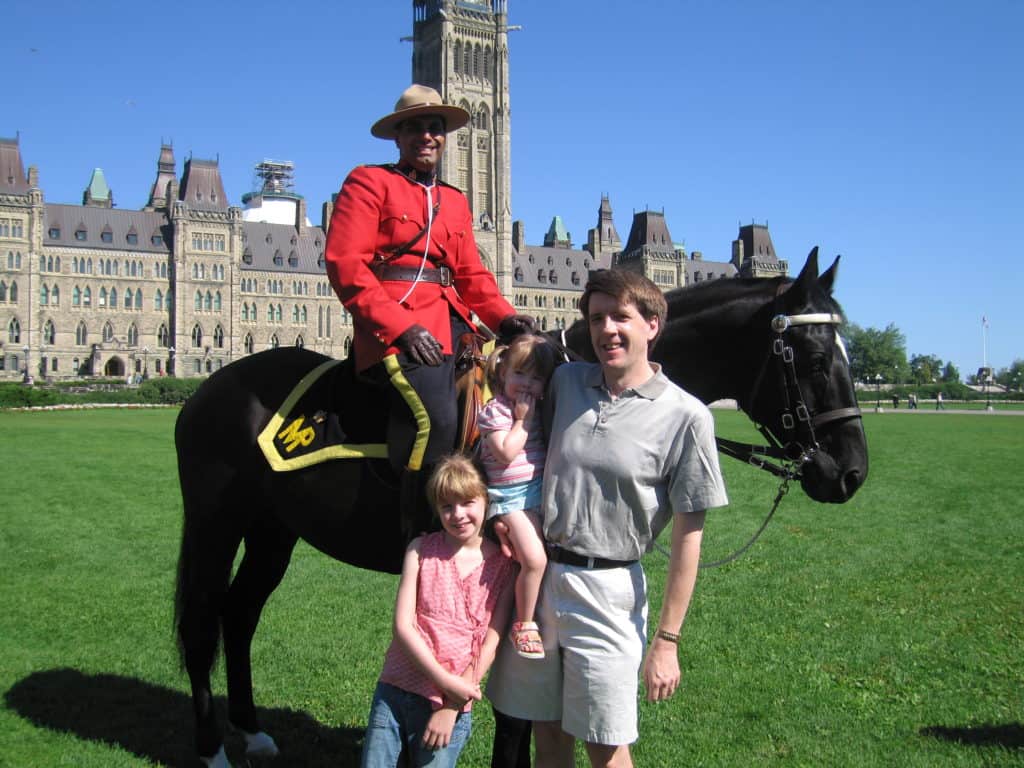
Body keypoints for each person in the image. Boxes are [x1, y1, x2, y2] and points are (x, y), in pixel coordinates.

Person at [487, 269, 730, 768]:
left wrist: (667, 640)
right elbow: (512, 424)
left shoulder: (686, 416)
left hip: (609, 592)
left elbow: (689, 539)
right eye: (597, 318)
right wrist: (497, 512)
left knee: (605, 743)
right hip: (540, 581)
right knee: (548, 737)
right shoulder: (567, 382)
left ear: (653, 325)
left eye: (621, 316)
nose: (607, 330)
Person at [324, 84, 534, 514]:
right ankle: (420, 529)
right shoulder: (369, 182)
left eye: (435, 128)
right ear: (398, 137)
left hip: (454, 324)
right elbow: (346, 265)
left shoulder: (454, 201)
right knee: (437, 417)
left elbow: (472, 276)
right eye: (415, 128)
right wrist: (399, 327)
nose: (427, 136)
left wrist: (506, 320)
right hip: (395, 330)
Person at [361, 454, 516, 768]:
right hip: (395, 690)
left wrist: (451, 705)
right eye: (447, 506)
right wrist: (446, 683)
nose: (457, 514)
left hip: (451, 705)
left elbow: (491, 641)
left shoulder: (504, 566)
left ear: (485, 500)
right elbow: (403, 627)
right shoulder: (420, 550)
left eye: (467, 502)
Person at [478, 335, 557, 660]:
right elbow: (507, 453)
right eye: (520, 374)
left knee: (530, 562)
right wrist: (522, 420)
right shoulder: (496, 411)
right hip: (510, 499)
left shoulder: (536, 410)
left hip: (535, 495)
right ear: (502, 374)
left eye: (536, 378)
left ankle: (516, 611)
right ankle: (524, 624)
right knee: (535, 560)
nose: (527, 384)